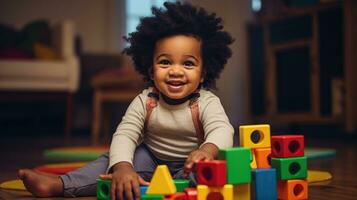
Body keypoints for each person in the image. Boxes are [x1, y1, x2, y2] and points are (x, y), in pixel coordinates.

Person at [18, 2, 234, 200]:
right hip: (150, 158)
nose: (175, 71)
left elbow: (222, 129)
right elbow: (126, 134)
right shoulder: (146, 100)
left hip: (190, 164)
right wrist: (122, 167)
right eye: (165, 62)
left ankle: (183, 190)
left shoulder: (206, 101)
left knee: (209, 174)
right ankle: (60, 185)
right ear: (151, 70)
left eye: (188, 64)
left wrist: (206, 151)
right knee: (110, 161)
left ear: (203, 74)